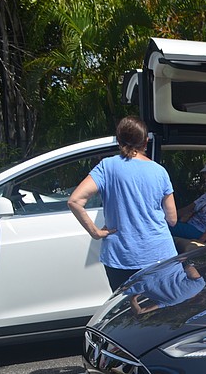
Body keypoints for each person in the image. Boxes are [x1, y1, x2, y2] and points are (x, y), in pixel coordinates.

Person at [68, 115, 178, 291]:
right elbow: (172, 219)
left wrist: (95, 232)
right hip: (159, 254)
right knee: (160, 309)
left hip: (120, 257)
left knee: (127, 311)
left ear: (119, 141)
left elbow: (75, 201)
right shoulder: (160, 171)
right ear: (146, 141)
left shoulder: (107, 167)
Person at [170, 161, 206, 243]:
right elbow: (186, 210)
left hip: (201, 231)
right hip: (191, 226)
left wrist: (201, 240)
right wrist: (166, 216)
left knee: (166, 228)